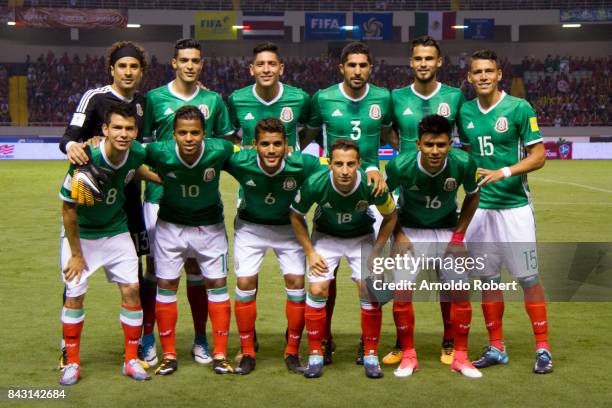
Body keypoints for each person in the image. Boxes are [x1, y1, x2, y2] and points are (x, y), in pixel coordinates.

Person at [139, 38, 235, 368]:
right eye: (184, 60)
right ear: (174, 63)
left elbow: (223, 149)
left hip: (202, 205)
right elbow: (141, 146)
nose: (190, 65)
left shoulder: (214, 100)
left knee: (197, 271)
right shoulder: (154, 98)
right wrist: (156, 179)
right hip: (158, 200)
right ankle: (148, 337)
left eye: (195, 60)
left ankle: (200, 338)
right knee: (156, 273)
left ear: (202, 64)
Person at [458, 49, 551, 374]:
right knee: (487, 278)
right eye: (477, 72)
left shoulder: (518, 107)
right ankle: (497, 346)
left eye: (489, 71)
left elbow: (538, 156)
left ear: (499, 74)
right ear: (469, 78)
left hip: (514, 209)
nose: (483, 76)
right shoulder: (465, 111)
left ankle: (542, 348)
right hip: (480, 210)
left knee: (528, 277)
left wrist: (506, 172)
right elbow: (467, 156)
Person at [57, 41, 150, 369]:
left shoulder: (142, 102)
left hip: (128, 197)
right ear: (112, 69)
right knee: (75, 278)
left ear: (141, 71)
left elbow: (146, 145)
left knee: (135, 273)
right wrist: (76, 147)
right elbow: (67, 136)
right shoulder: (95, 97)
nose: (128, 72)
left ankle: (140, 344)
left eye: (134, 67)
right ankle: (67, 346)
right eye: (122, 66)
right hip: (91, 186)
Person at [303, 41, 391, 364]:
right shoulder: (323, 98)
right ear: (342, 68)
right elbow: (308, 138)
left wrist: (386, 169)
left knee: (372, 280)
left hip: (370, 187)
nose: (357, 71)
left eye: (363, 65)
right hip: (335, 181)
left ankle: (368, 346)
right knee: (326, 277)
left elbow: (392, 136)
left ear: (371, 67)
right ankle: (323, 340)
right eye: (351, 65)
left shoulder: (384, 98)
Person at [384, 35, 467, 366]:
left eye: (429, 58)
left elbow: (463, 138)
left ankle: (449, 340)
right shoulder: (396, 96)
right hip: (409, 187)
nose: (423, 64)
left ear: (439, 62)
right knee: (401, 277)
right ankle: (401, 342)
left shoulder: (454, 96)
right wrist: (407, 154)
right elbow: (388, 131)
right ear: (411, 62)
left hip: (442, 190)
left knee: (449, 280)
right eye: (418, 58)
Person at [224, 117, 324, 375]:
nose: (271, 150)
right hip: (250, 227)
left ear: (287, 146)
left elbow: (332, 171)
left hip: (288, 228)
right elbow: (212, 154)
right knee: (245, 283)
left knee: (296, 283)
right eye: (265, 144)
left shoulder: (303, 164)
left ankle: (292, 351)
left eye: (277, 144)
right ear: (254, 145)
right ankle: (247, 351)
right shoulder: (240, 161)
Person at [289, 139, 397, 379]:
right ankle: (316, 353)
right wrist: (310, 251)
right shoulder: (316, 183)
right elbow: (296, 216)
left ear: (359, 163)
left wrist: (377, 251)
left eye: (350, 164)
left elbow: (390, 216)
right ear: (329, 164)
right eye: (339, 164)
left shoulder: (372, 186)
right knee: (317, 289)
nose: (345, 170)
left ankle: (370, 354)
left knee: (370, 289)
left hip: (361, 238)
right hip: (326, 237)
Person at [384, 114, 481, 378]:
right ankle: (409, 356)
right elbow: (385, 202)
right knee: (402, 298)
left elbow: (473, 195)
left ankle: (461, 356)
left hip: (448, 231)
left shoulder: (463, 163)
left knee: (460, 295)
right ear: (418, 144)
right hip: (410, 232)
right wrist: (399, 235)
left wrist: (459, 236)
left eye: (441, 145)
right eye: (429, 145)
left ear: (451, 144)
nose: (435, 151)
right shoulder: (399, 165)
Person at [228, 42, 311, 150]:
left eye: (272, 64)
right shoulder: (236, 99)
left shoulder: (300, 98)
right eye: (260, 64)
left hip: (289, 166)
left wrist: (292, 152)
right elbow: (227, 135)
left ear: (281, 69)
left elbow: (311, 131)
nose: (266, 70)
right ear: (252, 69)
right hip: (249, 166)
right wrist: (244, 150)